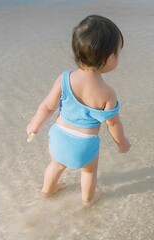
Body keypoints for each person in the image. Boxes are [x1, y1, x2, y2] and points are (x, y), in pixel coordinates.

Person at [26, 15, 130, 207]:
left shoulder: (64, 78)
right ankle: (88, 200)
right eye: (118, 53)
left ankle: (47, 190)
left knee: (56, 165)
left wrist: (34, 124)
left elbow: (48, 106)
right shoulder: (107, 93)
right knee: (89, 172)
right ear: (108, 59)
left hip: (58, 139)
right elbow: (113, 124)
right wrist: (122, 143)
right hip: (84, 147)